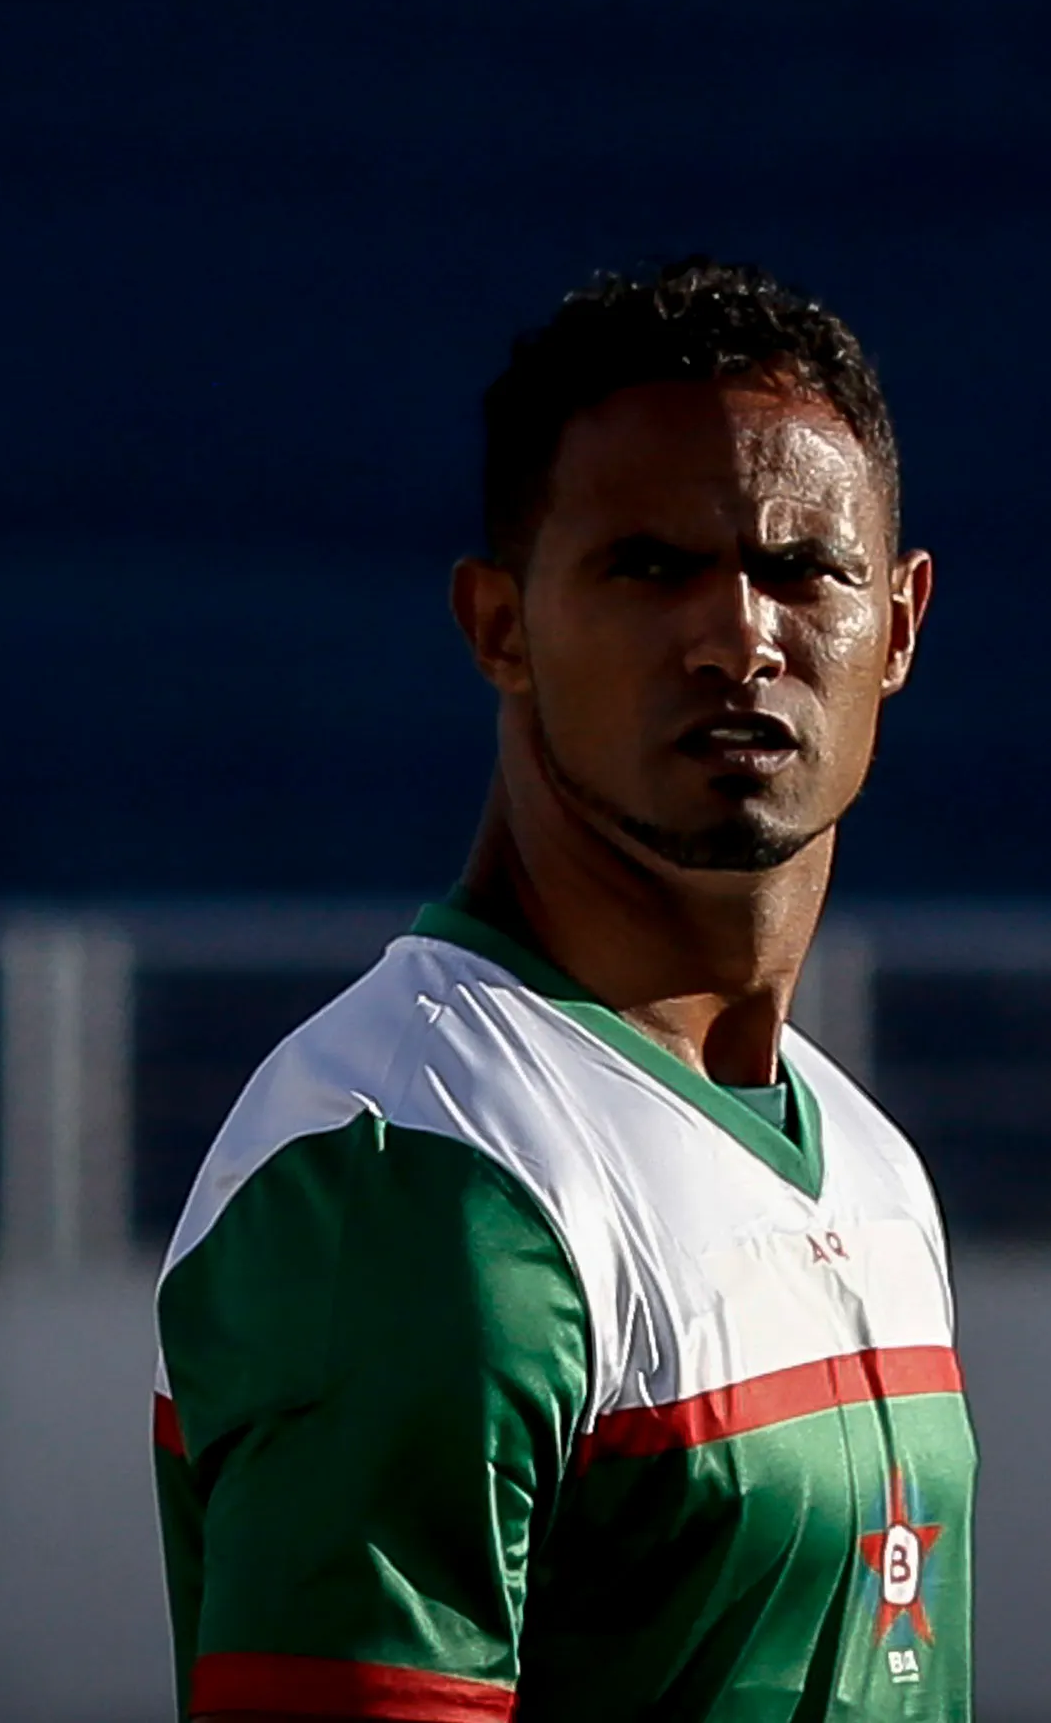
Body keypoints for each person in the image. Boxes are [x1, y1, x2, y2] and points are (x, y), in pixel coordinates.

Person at [151, 257, 970, 1723]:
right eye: (649, 566)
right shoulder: (419, 1176)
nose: (738, 636)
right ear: (499, 626)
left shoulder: (870, 1162)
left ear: (897, 628)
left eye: (802, 569)